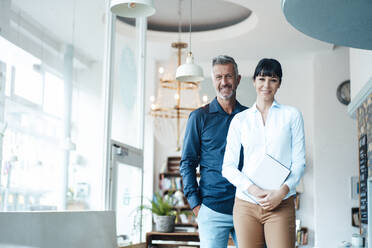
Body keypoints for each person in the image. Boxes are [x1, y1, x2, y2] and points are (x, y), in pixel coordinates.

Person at [222, 58, 306, 248]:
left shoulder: (292, 115)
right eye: (261, 79)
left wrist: (281, 192)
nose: (266, 85)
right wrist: (253, 189)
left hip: (281, 203)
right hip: (246, 204)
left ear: (279, 84)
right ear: (254, 81)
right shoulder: (240, 120)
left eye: (273, 80)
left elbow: (299, 162)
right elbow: (228, 167)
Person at [180, 55, 247, 248]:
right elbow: (187, 163)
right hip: (211, 210)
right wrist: (196, 205)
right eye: (218, 77)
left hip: (246, 208)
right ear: (213, 80)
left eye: (228, 76)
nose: (224, 82)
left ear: (238, 79)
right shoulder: (199, 117)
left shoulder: (249, 117)